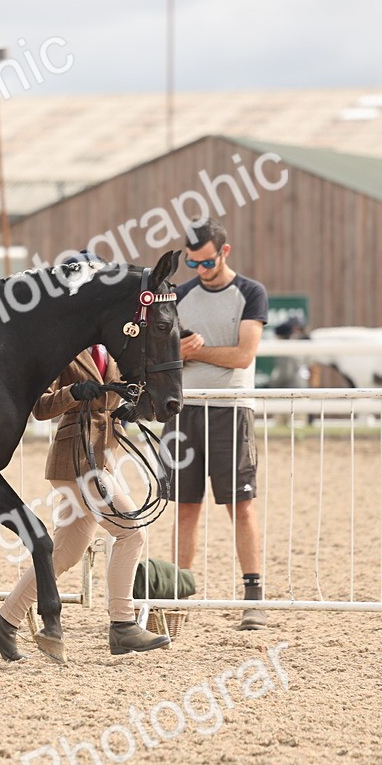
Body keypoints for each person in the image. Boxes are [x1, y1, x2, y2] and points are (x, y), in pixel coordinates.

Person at [0, 344, 171, 661]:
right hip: (77, 461)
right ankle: (123, 624)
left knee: (65, 552)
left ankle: (3, 621)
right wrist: (74, 392)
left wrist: (134, 408)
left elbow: (132, 388)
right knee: (131, 531)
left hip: (103, 457)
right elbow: (41, 407)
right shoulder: (63, 347)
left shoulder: (114, 349)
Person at [164, 217, 269, 630]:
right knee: (185, 509)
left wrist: (195, 352)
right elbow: (164, 352)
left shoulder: (250, 293)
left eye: (205, 263)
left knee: (240, 507)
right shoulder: (180, 295)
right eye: (192, 264)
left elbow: (244, 356)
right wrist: (181, 353)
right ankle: (176, 596)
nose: (199, 271)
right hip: (185, 411)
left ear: (224, 252)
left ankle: (254, 596)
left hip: (231, 410)